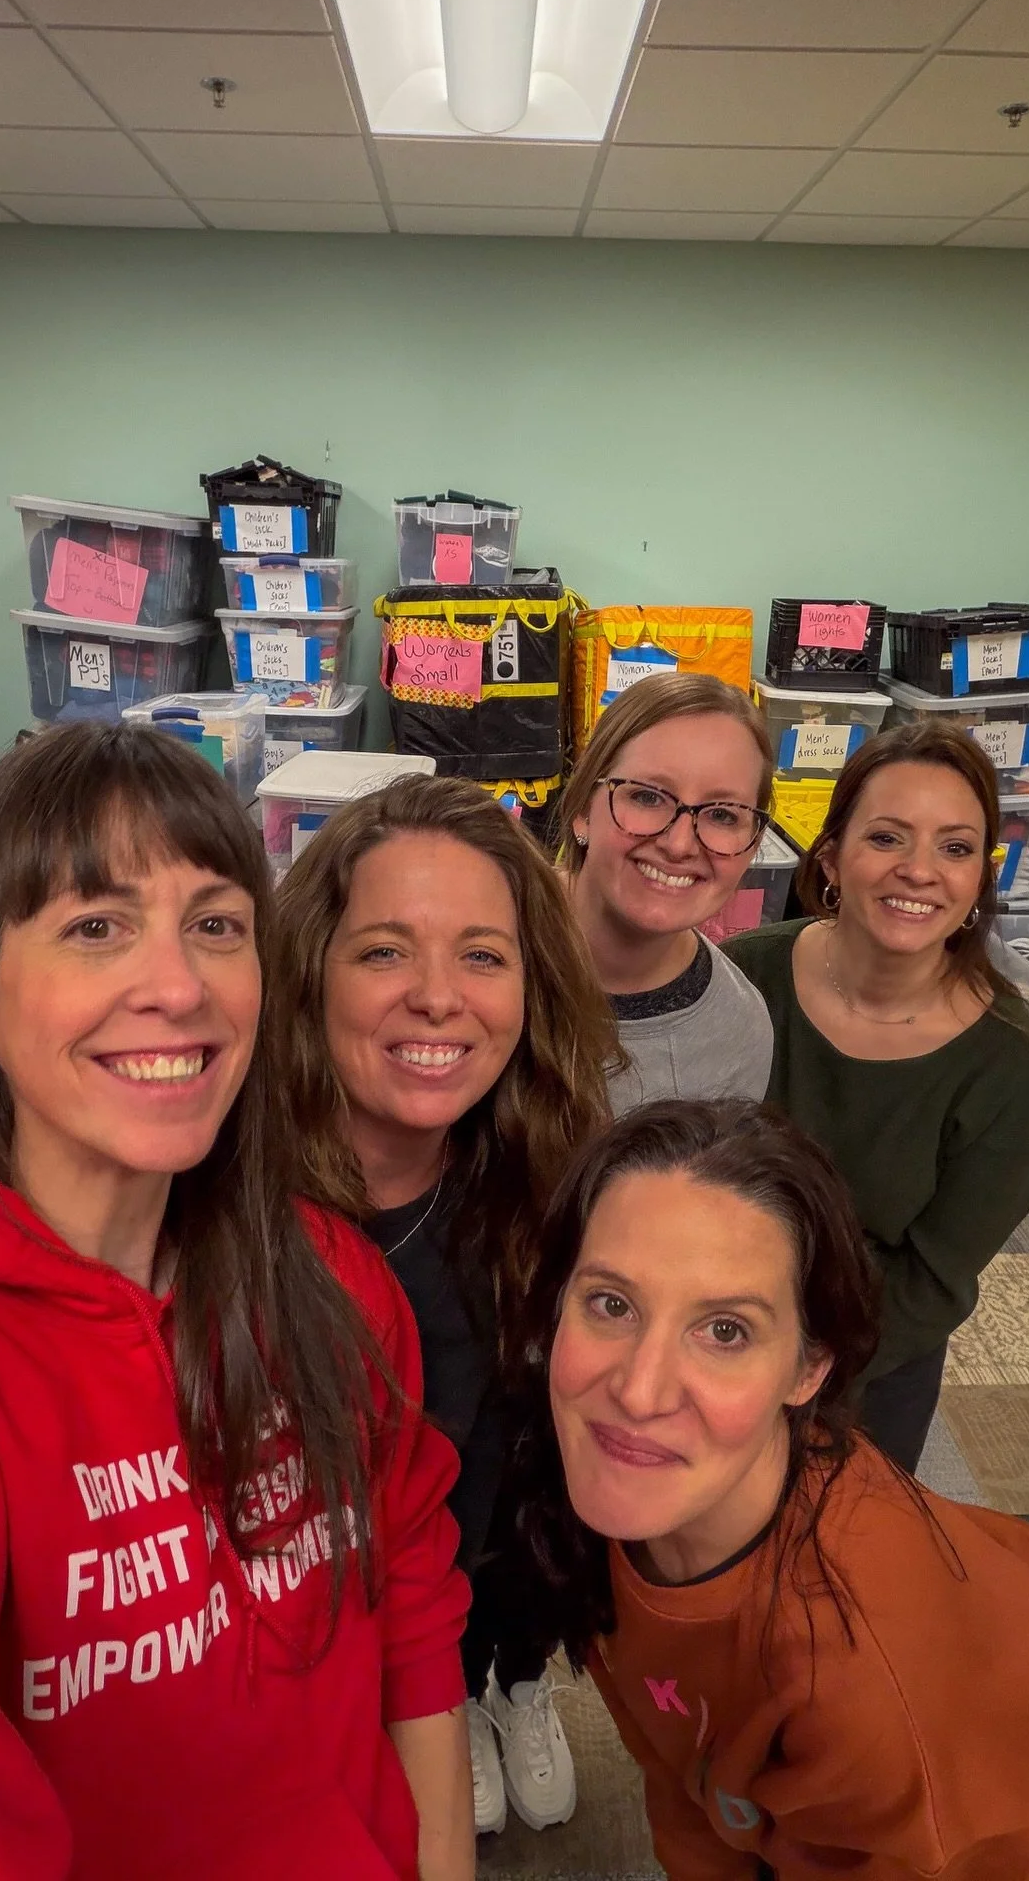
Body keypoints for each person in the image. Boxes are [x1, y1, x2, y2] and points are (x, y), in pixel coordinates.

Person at [0, 724, 474, 1881]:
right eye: (95, 927)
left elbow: (410, 1618)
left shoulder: (331, 1280)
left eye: (216, 925)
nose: (178, 985)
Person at [518, 1098, 1029, 1881]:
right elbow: (684, 1774)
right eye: (611, 1303)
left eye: (725, 1331)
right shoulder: (618, 1496)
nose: (638, 1392)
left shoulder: (860, 1678)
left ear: (811, 1369)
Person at [271, 773, 620, 1839]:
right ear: (312, 974)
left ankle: (489, 1688)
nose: (438, 996)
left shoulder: (534, 1183)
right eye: (384, 951)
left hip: (443, 1601)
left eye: (483, 954)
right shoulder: (221, 1205)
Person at [722, 721, 1029, 1473]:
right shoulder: (743, 976)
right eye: (888, 838)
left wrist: (799, 1369)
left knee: (835, 1571)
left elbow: (934, 1280)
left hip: (868, 1356)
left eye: (956, 848)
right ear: (832, 856)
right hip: (709, 1317)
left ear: (980, 880)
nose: (920, 871)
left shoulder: (1007, 1060)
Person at [556, 673, 776, 1113]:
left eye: (722, 815)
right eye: (647, 797)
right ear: (583, 810)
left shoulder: (737, 1034)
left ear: (751, 845)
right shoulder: (482, 937)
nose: (678, 844)